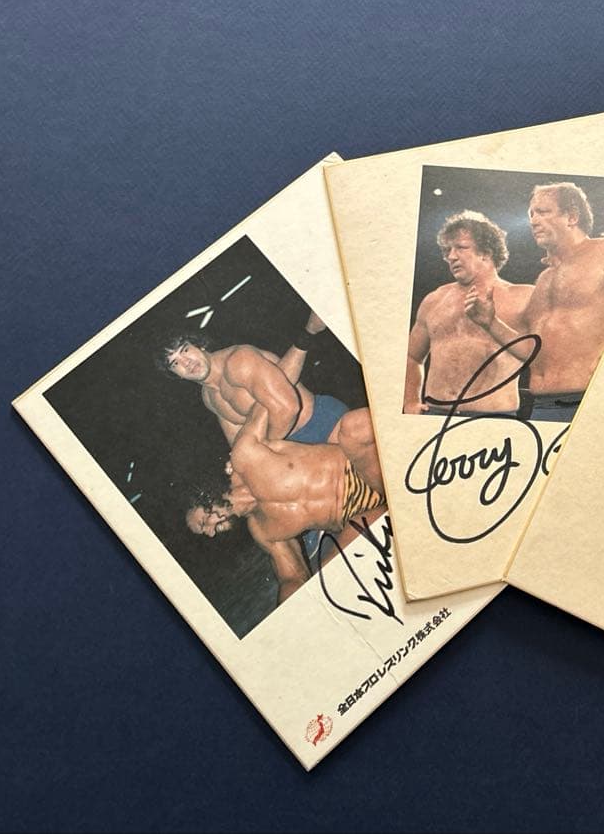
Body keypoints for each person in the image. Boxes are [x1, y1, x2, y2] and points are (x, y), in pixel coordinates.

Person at [184, 397, 386, 605]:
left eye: (203, 524)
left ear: (205, 497)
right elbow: (292, 577)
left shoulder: (244, 455)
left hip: (368, 469)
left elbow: (264, 401)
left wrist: (262, 439)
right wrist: (287, 613)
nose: (210, 532)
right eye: (206, 533)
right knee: (325, 576)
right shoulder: (262, 530)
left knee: (352, 428)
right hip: (369, 516)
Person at [465, 182, 604, 422]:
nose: (534, 221)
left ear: (572, 217)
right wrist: (490, 322)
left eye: (543, 212)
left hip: (593, 403)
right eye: (531, 214)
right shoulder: (544, 279)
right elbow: (532, 351)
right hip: (542, 407)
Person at [159, 312, 383, 494]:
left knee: (383, 484)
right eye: (175, 363)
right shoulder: (209, 397)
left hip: (321, 424)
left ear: (199, 346)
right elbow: (240, 441)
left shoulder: (238, 361)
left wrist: (259, 451)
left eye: (185, 350)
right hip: (296, 452)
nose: (186, 362)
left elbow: (287, 408)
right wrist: (238, 466)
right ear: (176, 375)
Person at [405, 211, 532, 415]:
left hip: (493, 417)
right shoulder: (434, 300)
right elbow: (412, 356)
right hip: (435, 413)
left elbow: (545, 357)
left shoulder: (523, 297)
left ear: (486, 253)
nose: (451, 256)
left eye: (461, 248)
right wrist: (411, 401)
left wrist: (493, 323)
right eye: (448, 250)